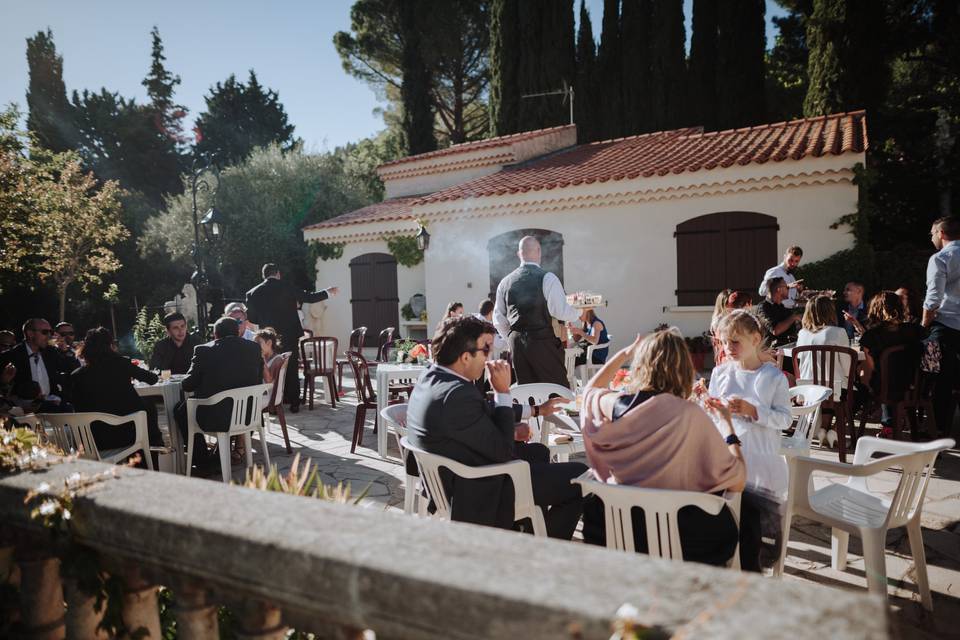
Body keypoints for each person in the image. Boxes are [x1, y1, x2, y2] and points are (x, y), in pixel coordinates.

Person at [405, 315, 587, 539]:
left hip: (454, 474)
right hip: (478, 488)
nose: (490, 357)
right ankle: (546, 543)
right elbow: (502, 451)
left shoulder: (432, 378)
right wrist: (503, 392)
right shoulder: (457, 394)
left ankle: (527, 527)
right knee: (581, 476)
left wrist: (537, 410)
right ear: (464, 357)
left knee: (539, 452)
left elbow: (480, 411)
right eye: (485, 350)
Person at [580, 330, 746, 566]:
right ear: (684, 369)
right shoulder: (691, 415)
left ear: (640, 366)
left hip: (616, 533)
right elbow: (737, 481)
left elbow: (590, 391)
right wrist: (728, 426)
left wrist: (624, 354)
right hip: (683, 542)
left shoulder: (613, 405)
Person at [707, 310, 792, 571]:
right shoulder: (720, 373)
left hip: (760, 462)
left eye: (735, 341)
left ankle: (751, 575)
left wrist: (753, 411)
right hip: (727, 460)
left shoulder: (772, 377)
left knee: (753, 530)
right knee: (721, 524)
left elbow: (786, 419)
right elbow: (711, 418)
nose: (727, 348)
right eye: (723, 342)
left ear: (755, 339)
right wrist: (705, 404)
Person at [173, 317, 264, 470]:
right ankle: (218, 455)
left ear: (215, 335)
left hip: (218, 418)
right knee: (220, 403)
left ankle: (202, 461)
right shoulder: (254, 348)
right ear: (238, 333)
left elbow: (188, 385)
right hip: (249, 415)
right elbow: (257, 377)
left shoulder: (204, 350)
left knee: (181, 410)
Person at [245, 263, 338, 412]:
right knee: (291, 366)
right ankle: (293, 401)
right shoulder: (287, 286)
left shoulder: (252, 293)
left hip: (268, 338)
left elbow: (252, 318)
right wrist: (327, 292)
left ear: (264, 275)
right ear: (278, 274)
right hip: (289, 334)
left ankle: (275, 401)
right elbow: (308, 297)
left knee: (270, 368)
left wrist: (265, 320)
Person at [493, 236, 581, 387]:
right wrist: (579, 311)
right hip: (544, 342)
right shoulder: (548, 278)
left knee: (527, 394)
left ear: (519, 254)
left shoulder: (505, 282)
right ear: (539, 251)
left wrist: (512, 339)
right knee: (557, 391)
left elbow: (498, 320)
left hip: (518, 345)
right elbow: (560, 311)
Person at [71, 327, 163, 453]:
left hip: (92, 440)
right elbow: (152, 379)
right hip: (125, 436)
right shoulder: (121, 363)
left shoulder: (76, 375)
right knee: (148, 404)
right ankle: (155, 446)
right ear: (110, 345)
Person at [859, 291, 925, 437]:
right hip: (913, 386)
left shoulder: (872, 337)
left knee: (873, 380)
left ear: (875, 310)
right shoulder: (915, 330)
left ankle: (888, 425)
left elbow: (871, 370)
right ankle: (902, 422)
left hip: (886, 388)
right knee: (890, 378)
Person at [922, 216, 960, 438]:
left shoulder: (940, 258)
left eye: (932, 233)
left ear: (942, 234)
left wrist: (923, 327)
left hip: (946, 325)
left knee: (940, 380)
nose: (932, 237)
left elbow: (933, 299)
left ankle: (937, 430)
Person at [0, 318, 72, 412]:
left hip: (51, 405)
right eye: (45, 332)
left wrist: (66, 351)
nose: (49, 336)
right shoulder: (11, 356)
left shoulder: (51, 353)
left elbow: (71, 371)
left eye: (51, 332)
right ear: (30, 334)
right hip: (23, 412)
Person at [710, 290, 753, 366]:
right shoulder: (724, 321)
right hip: (729, 357)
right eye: (728, 304)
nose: (730, 308)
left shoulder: (727, 318)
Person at [755, 277, 800, 348]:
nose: (789, 290)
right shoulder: (764, 308)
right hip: (773, 352)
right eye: (787, 287)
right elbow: (775, 330)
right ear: (779, 290)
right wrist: (793, 318)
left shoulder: (781, 306)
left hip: (787, 348)